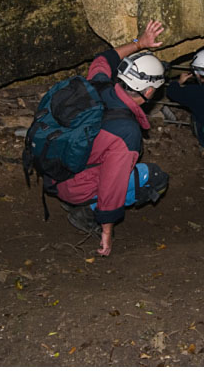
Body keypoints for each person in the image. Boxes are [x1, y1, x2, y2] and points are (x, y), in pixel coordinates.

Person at [51, 20, 169, 256]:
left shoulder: (98, 84)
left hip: (53, 171)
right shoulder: (126, 132)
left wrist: (139, 43)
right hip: (73, 186)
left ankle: (70, 198)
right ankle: (86, 212)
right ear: (148, 91)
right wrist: (106, 230)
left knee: (95, 159)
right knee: (155, 178)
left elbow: (102, 60)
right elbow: (112, 184)